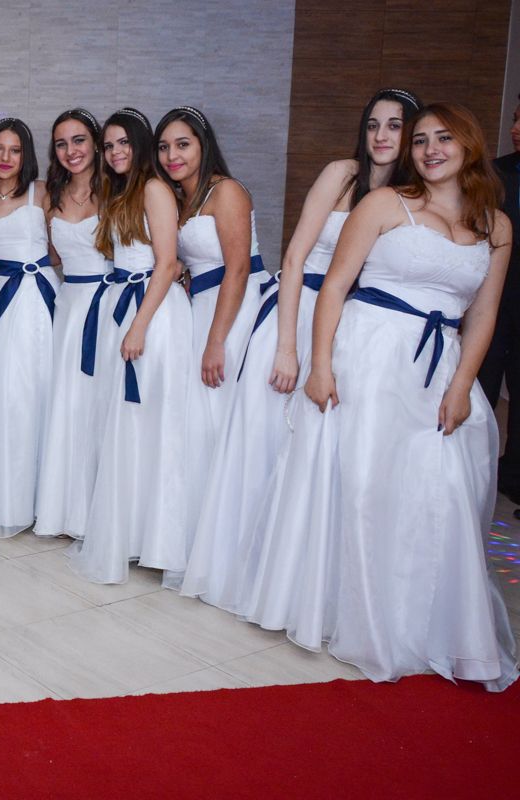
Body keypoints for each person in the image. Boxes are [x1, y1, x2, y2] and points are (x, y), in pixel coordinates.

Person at [302, 103, 516, 690]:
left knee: (442, 491)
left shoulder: (496, 226)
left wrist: (464, 384)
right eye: (420, 140)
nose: (428, 150)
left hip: (441, 362)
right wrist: (320, 365)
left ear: (468, 145)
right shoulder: (382, 204)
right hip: (370, 353)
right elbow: (335, 288)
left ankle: (434, 620)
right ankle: (367, 620)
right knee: (368, 483)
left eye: (443, 139)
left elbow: (484, 313)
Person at [180, 89, 422, 606]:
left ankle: (306, 579)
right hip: (299, 309)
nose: (381, 136)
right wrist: (288, 346)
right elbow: (293, 258)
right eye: (374, 124)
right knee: (264, 439)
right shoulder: (342, 175)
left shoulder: (414, 201)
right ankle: (240, 568)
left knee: (324, 454)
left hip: (354, 327)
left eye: (395, 126)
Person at [68, 108, 193, 583]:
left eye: (124, 143)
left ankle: (158, 539)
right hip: (126, 303)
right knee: (127, 425)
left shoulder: (156, 189)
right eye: (110, 145)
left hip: (153, 313)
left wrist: (139, 326)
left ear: (139, 146)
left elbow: (166, 264)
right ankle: (135, 534)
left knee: (151, 421)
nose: (116, 152)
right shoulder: (124, 192)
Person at [154, 106, 264, 585]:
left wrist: (218, 340)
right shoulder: (181, 197)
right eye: (164, 147)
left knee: (218, 417)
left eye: (183, 144)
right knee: (194, 421)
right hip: (199, 306)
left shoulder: (227, 191)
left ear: (203, 144)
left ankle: (231, 544)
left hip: (233, 308)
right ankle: (198, 533)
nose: (172, 155)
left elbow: (238, 267)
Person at [0, 118, 62, 538]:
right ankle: (0, 494)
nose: (6, 158)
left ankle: (41, 499)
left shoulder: (41, 192)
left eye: (15, 150)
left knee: (33, 393)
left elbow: (63, 247)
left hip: (36, 300)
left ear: (26, 155)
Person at [32, 108, 113, 540]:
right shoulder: (52, 196)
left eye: (78, 140)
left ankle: (101, 511)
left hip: (110, 304)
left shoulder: (117, 190)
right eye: (61, 143)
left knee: (102, 402)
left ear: (96, 143)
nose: (71, 151)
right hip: (68, 305)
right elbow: (52, 256)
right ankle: (66, 510)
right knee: (69, 403)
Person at [479, 92, 520, 502]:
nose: (515, 129)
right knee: (481, 388)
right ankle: (475, 472)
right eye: (515, 119)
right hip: (493, 299)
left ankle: (515, 482)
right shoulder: (496, 174)